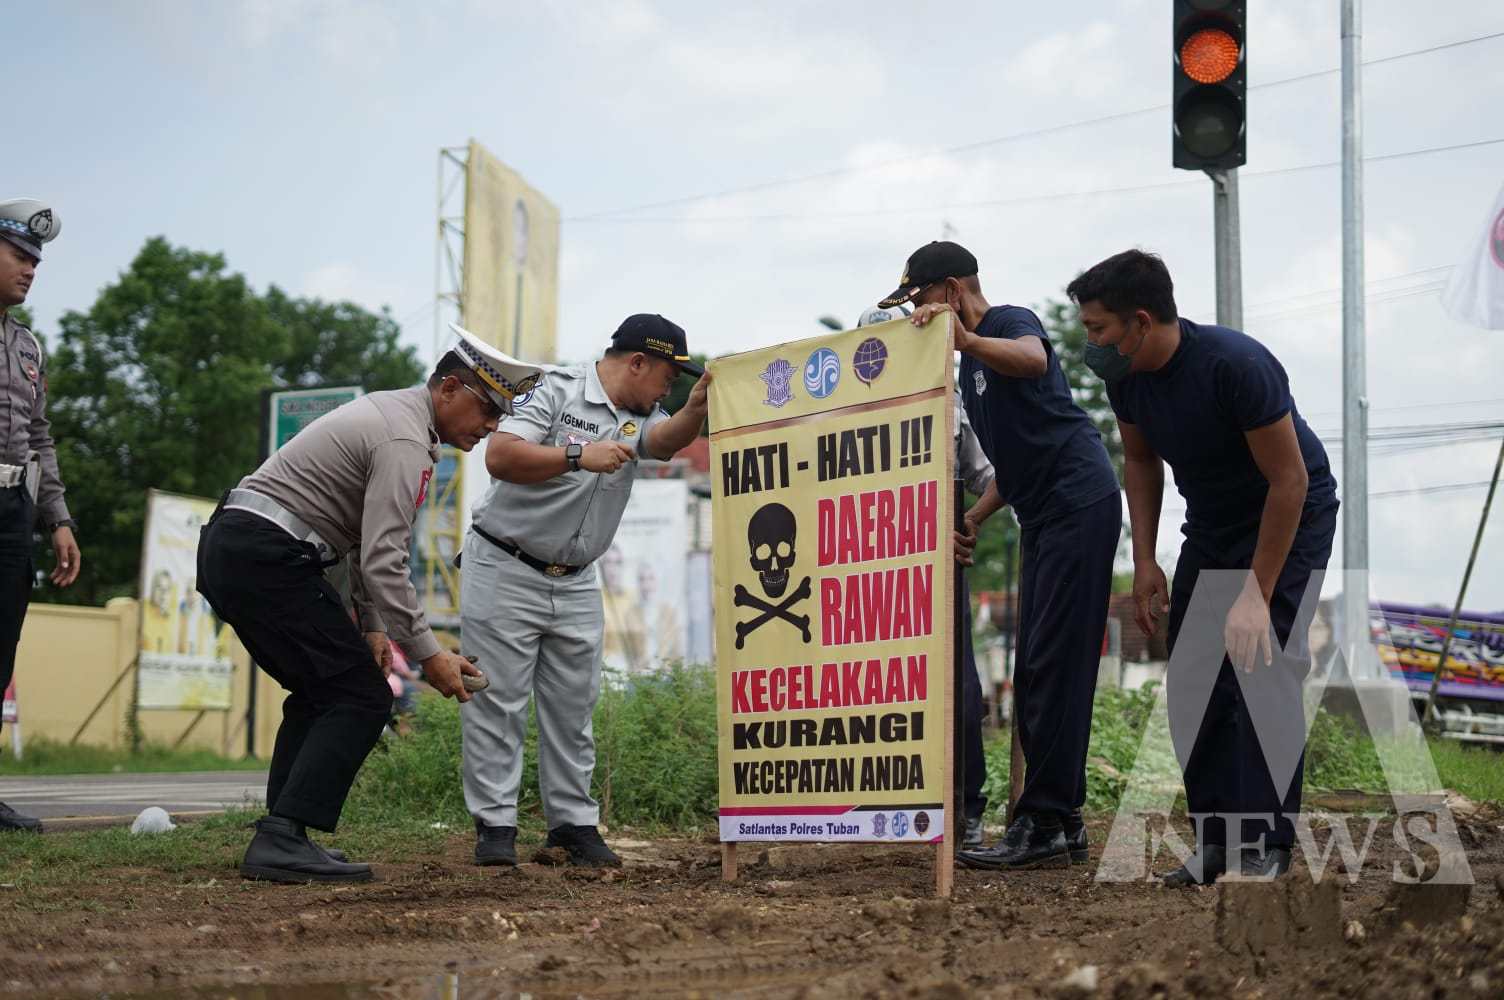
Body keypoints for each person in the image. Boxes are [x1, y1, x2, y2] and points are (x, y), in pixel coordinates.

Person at [197, 324, 539, 882]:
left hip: (241, 547)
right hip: (265, 553)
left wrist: (375, 629)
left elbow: (364, 539)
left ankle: (285, 831)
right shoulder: (404, 439)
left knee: (321, 691)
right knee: (359, 695)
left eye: (500, 414)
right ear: (448, 388)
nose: (492, 425)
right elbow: (385, 559)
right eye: (486, 408)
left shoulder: (401, 419)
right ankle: (282, 837)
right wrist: (429, 655)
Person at [1066, 249, 1338, 884]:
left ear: (1140, 320)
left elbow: (1289, 481)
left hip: (1288, 516)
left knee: (1261, 669)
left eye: (1098, 327)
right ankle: (1216, 839)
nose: (1091, 342)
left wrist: (1256, 594)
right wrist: (1143, 561)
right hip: (1213, 525)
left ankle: (1265, 845)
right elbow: (1140, 462)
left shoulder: (1235, 366)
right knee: (1193, 679)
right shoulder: (1124, 376)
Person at [878, 241, 1121, 870]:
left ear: (954, 291)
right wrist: (975, 517)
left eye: (923, 301)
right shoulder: (968, 371)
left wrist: (965, 339)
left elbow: (1034, 360)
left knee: (1051, 665)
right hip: (1040, 511)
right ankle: (1060, 821)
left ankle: (1041, 822)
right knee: (1039, 667)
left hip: (1078, 499)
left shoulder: (1008, 324)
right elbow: (1011, 461)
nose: (918, 316)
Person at [461, 314, 709, 868]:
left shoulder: (640, 413)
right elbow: (499, 456)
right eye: (669, 376)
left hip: (574, 579)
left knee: (575, 709)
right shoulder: (553, 389)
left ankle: (572, 824)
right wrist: (577, 455)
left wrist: (693, 410)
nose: (670, 387)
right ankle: (495, 826)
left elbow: (663, 443)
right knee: (497, 700)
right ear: (637, 362)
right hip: (507, 564)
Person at [858, 303, 1001, 849]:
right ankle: (884, 804)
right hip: (861, 572)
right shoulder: (838, 411)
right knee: (870, 687)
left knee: (956, 687)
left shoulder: (950, 401)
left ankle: (966, 807)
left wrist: (968, 520)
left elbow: (993, 475)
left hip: (933, 571)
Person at [0, 199, 80, 834]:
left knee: (1, 650)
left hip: (13, 510)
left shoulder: (28, 346)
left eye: (36, 261)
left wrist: (57, 519)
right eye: (19, 256)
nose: (30, 270)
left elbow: (40, 437)